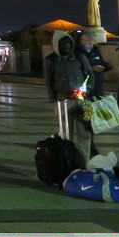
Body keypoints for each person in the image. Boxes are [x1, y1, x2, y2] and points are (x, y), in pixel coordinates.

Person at [44, 31, 95, 162]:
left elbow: (89, 74)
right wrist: (53, 100)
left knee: (85, 131)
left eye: (68, 43)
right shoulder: (50, 60)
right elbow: (49, 81)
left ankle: (84, 160)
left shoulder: (79, 56)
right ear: (57, 45)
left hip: (82, 99)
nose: (66, 46)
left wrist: (86, 90)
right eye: (63, 44)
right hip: (62, 101)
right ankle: (68, 160)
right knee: (66, 133)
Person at [76, 32, 113, 99]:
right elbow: (76, 68)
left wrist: (107, 66)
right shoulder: (77, 53)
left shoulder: (95, 51)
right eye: (87, 40)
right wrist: (91, 68)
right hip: (83, 85)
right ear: (81, 41)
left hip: (97, 84)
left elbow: (102, 62)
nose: (89, 43)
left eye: (91, 40)